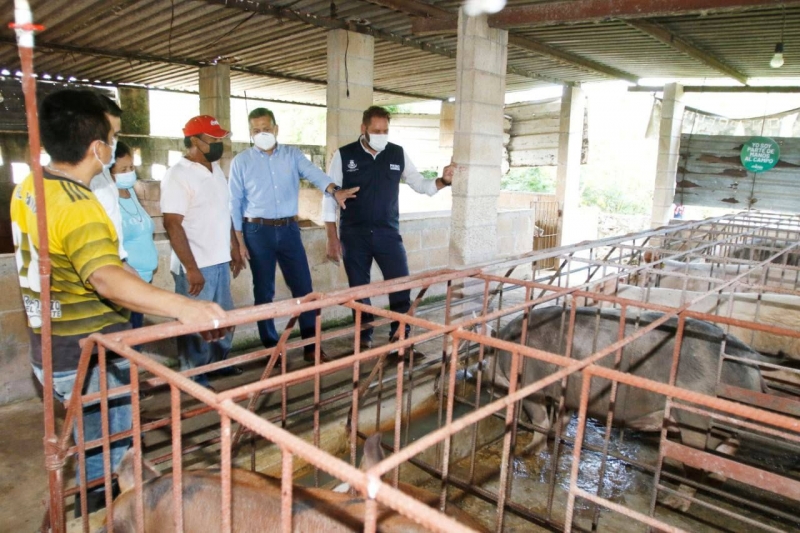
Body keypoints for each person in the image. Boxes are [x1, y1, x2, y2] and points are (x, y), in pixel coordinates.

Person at [10, 89, 227, 515]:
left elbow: (103, 267)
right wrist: (184, 306)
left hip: (52, 346)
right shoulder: (80, 206)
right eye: (112, 137)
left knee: (99, 442)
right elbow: (104, 278)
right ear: (97, 147)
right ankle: (104, 516)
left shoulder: (31, 187)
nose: (114, 147)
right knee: (109, 455)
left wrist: (145, 298)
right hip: (89, 354)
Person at [229, 108, 357, 363]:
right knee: (263, 291)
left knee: (304, 288)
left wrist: (334, 190)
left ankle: (311, 344)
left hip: (288, 229)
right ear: (250, 133)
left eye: (266, 128)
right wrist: (238, 241)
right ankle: (271, 348)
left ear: (276, 129)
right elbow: (234, 203)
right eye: (256, 130)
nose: (262, 133)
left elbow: (315, 174)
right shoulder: (241, 162)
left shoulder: (292, 155)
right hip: (257, 231)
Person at [323, 106, 454, 349]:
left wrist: (444, 181)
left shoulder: (397, 154)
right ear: (364, 129)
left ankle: (401, 335)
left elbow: (420, 184)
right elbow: (329, 196)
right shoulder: (344, 155)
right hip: (354, 234)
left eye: (385, 130)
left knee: (400, 285)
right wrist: (332, 236)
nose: (382, 134)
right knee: (359, 290)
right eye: (376, 130)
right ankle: (364, 336)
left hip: (388, 233)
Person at [161, 115, 243, 390]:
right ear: (194, 141)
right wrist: (191, 268)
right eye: (214, 140)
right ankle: (193, 375)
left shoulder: (215, 169)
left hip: (219, 259)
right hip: (196, 264)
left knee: (223, 318)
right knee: (195, 322)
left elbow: (224, 213)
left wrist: (234, 247)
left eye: (221, 139)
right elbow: (172, 224)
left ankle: (219, 362)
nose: (220, 144)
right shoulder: (178, 175)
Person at [109, 141, 158, 328]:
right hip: (125, 284)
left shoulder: (130, 191)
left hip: (144, 281)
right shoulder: (106, 198)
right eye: (123, 169)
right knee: (127, 340)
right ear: (108, 172)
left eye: (131, 167)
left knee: (137, 333)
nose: (129, 173)